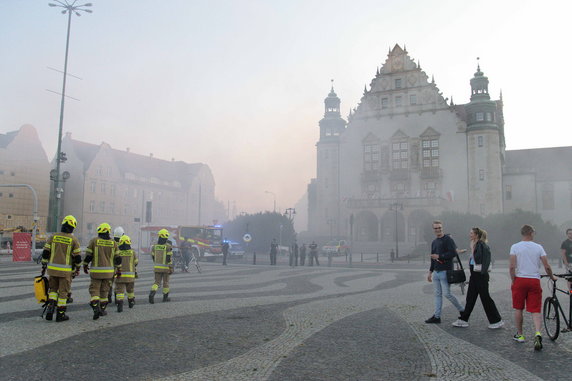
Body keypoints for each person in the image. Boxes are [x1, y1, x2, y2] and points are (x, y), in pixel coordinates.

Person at [510, 224, 556, 351]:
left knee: (518, 308)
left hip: (520, 279)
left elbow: (512, 266)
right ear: (531, 233)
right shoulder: (539, 247)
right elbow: (546, 266)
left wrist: (513, 280)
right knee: (535, 310)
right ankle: (537, 333)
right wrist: (552, 277)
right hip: (534, 280)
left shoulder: (515, 247)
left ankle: (520, 335)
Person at [452, 228, 503, 329]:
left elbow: (478, 260)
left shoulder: (480, 245)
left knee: (485, 298)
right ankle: (463, 320)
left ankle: (496, 320)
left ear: (476, 235)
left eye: (471, 233)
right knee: (470, 298)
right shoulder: (477, 245)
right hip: (475, 276)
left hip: (480, 276)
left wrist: (472, 248)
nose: (470, 235)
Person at [40, 215, 82, 322]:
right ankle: (60, 314)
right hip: (65, 272)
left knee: (53, 290)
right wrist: (78, 268)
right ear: (73, 227)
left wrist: (44, 265)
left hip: (52, 270)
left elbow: (45, 253)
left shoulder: (53, 237)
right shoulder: (73, 240)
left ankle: (50, 308)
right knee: (63, 292)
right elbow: (77, 257)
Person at [425, 220, 464, 324]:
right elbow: (432, 258)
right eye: (436, 228)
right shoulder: (434, 242)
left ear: (442, 228)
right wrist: (430, 272)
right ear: (433, 229)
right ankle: (437, 316)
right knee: (437, 294)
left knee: (447, 294)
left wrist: (440, 256)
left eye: (439, 228)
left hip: (446, 271)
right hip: (437, 272)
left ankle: (463, 310)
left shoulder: (448, 239)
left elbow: (452, 253)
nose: (438, 230)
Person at [84, 223, 120, 320]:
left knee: (94, 290)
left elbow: (88, 256)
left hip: (96, 272)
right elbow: (118, 259)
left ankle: (95, 305)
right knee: (104, 291)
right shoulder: (114, 243)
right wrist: (119, 269)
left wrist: (85, 265)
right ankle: (102, 309)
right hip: (109, 273)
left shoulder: (94, 241)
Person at [114, 235, 138, 312]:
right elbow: (136, 263)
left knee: (119, 291)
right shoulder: (132, 252)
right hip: (130, 277)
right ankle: (131, 302)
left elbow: (114, 262)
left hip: (119, 275)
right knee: (130, 290)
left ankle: (119, 304)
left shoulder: (117, 252)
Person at [149, 229, 173, 303]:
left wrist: (156, 263)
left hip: (157, 268)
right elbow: (169, 258)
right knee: (166, 283)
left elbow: (153, 257)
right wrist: (171, 267)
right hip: (166, 268)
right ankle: (165, 298)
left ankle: (152, 293)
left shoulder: (154, 246)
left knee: (156, 282)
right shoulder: (168, 247)